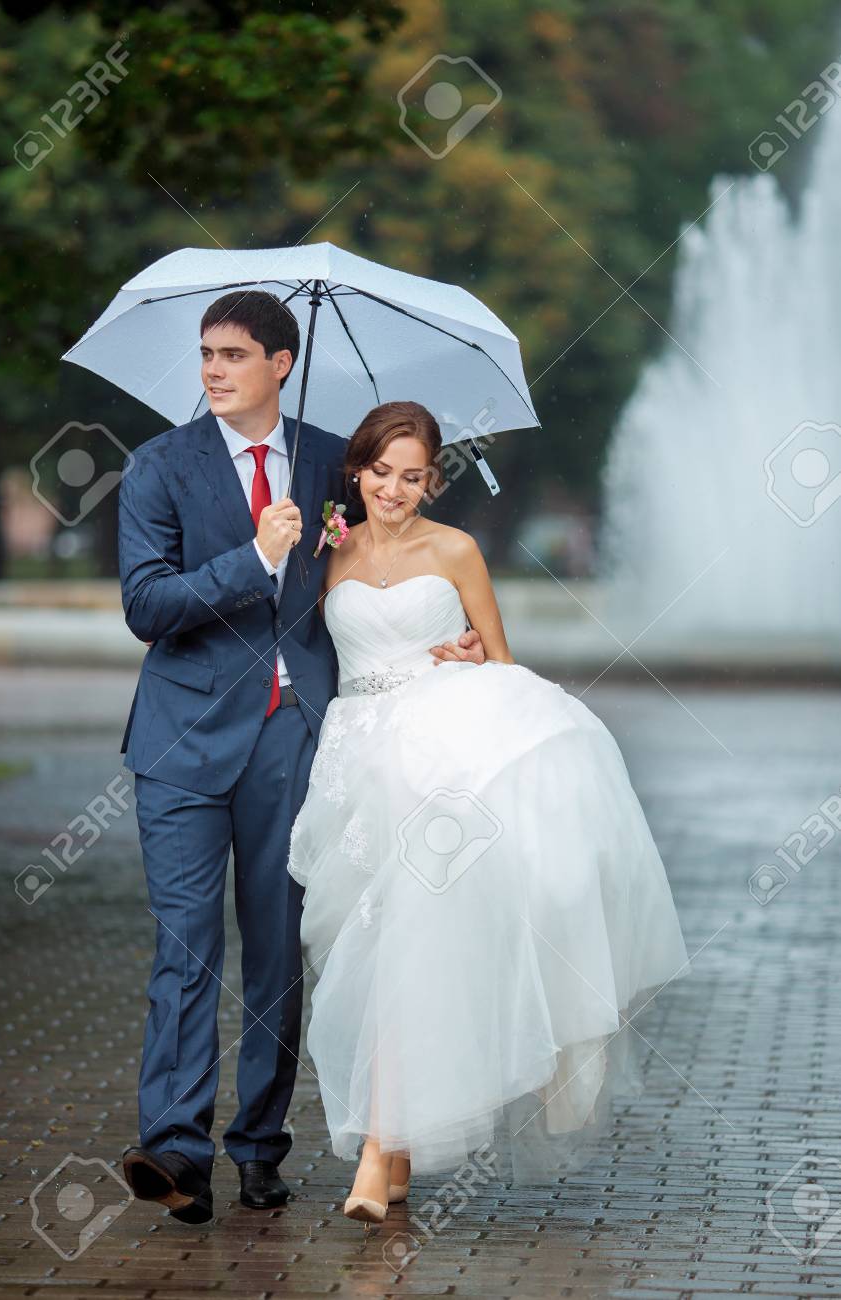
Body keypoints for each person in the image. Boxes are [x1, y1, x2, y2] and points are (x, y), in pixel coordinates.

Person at [117, 294, 485, 1224]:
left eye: (234, 354)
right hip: (183, 744)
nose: (212, 369)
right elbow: (147, 607)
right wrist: (253, 554)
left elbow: (392, 557)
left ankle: (259, 1147)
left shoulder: (331, 461)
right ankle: (176, 1150)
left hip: (298, 741)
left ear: (282, 363)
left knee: (280, 954)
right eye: (205, 354)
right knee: (188, 948)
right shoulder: (159, 467)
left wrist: (445, 640)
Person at [287, 399, 689, 1226]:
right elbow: (300, 647)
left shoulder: (458, 550)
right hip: (349, 758)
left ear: (432, 481)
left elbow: (500, 663)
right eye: (380, 472)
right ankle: (395, 1155)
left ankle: (373, 1153)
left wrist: (469, 655)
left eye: (411, 476)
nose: (393, 490)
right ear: (356, 471)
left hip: (437, 756)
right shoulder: (326, 550)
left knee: (408, 938)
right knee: (352, 944)